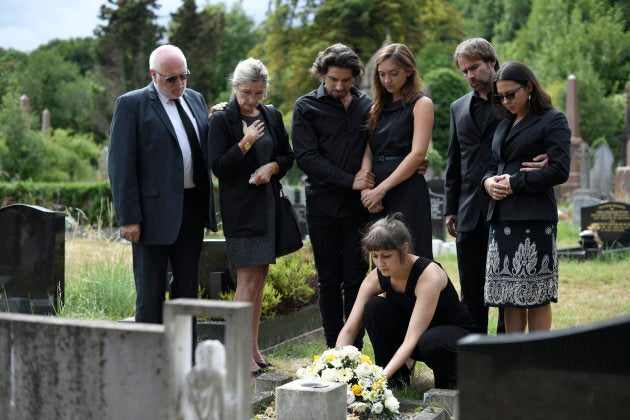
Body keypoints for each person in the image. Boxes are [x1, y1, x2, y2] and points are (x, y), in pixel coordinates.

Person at [108, 44, 217, 324]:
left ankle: (185, 358)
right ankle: (150, 361)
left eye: (184, 76)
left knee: (187, 291)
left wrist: (220, 119)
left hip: (191, 208)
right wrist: (129, 217)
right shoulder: (131, 104)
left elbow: (202, 148)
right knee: (150, 292)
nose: (179, 84)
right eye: (171, 78)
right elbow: (121, 165)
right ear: (153, 75)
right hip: (150, 214)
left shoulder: (195, 99)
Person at [445, 38, 547, 334]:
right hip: (468, 210)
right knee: (471, 292)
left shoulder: (513, 99)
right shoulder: (457, 107)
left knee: (507, 292)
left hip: (507, 206)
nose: (470, 75)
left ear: (492, 63)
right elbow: (455, 160)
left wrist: (550, 156)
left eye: (474, 68)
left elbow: (538, 130)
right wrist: (451, 208)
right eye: (464, 71)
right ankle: (478, 358)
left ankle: (505, 354)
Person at [208, 58, 295, 376]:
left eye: (258, 93)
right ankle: (236, 352)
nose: (252, 99)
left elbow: (287, 155)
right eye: (246, 92)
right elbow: (218, 167)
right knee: (246, 282)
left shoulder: (271, 114)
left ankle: (253, 348)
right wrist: (246, 143)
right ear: (235, 87)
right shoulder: (222, 119)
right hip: (242, 212)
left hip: (268, 208)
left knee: (260, 279)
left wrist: (271, 168)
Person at [291, 43, 374, 350]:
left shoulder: (367, 105)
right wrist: (349, 181)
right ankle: (332, 350)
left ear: (355, 76)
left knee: (356, 279)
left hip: (358, 209)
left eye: (346, 80)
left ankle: (355, 348)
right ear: (321, 74)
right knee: (328, 280)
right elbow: (307, 157)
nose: (339, 86)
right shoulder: (305, 107)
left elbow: (377, 145)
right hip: (322, 206)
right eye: (333, 80)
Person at [336, 213, 477, 389]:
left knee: (431, 340)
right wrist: (335, 367)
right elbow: (350, 328)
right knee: (374, 307)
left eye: (386, 256)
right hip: (420, 339)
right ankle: (395, 384)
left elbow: (412, 338)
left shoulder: (428, 276)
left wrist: (377, 381)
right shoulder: (375, 277)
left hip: (452, 342)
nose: (380, 263)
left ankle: (457, 381)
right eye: (375, 256)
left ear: (404, 248)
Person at [482, 60, 571, 333]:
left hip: (533, 217)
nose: (506, 101)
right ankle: (514, 360)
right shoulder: (503, 123)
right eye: (501, 96)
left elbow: (559, 169)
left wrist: (516, 183)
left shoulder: (552, 120)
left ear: (529, 86)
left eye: (511, 94)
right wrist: (488, 182)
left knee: (536, 296)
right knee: (507, 296)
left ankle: (539, 362)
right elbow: (492, 163)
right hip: (501, 216)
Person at [360, 43, 434, 259]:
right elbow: (368, 149)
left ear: (408, 71)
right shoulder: (375, 108)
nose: (387, 80)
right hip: (376, 189)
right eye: (382, 74)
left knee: (411, 253)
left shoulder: (421, 104)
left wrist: (381, 190)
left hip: (407, 187)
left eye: (394, 73)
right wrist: (367, 188)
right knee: (382, 255)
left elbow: (418, 154)